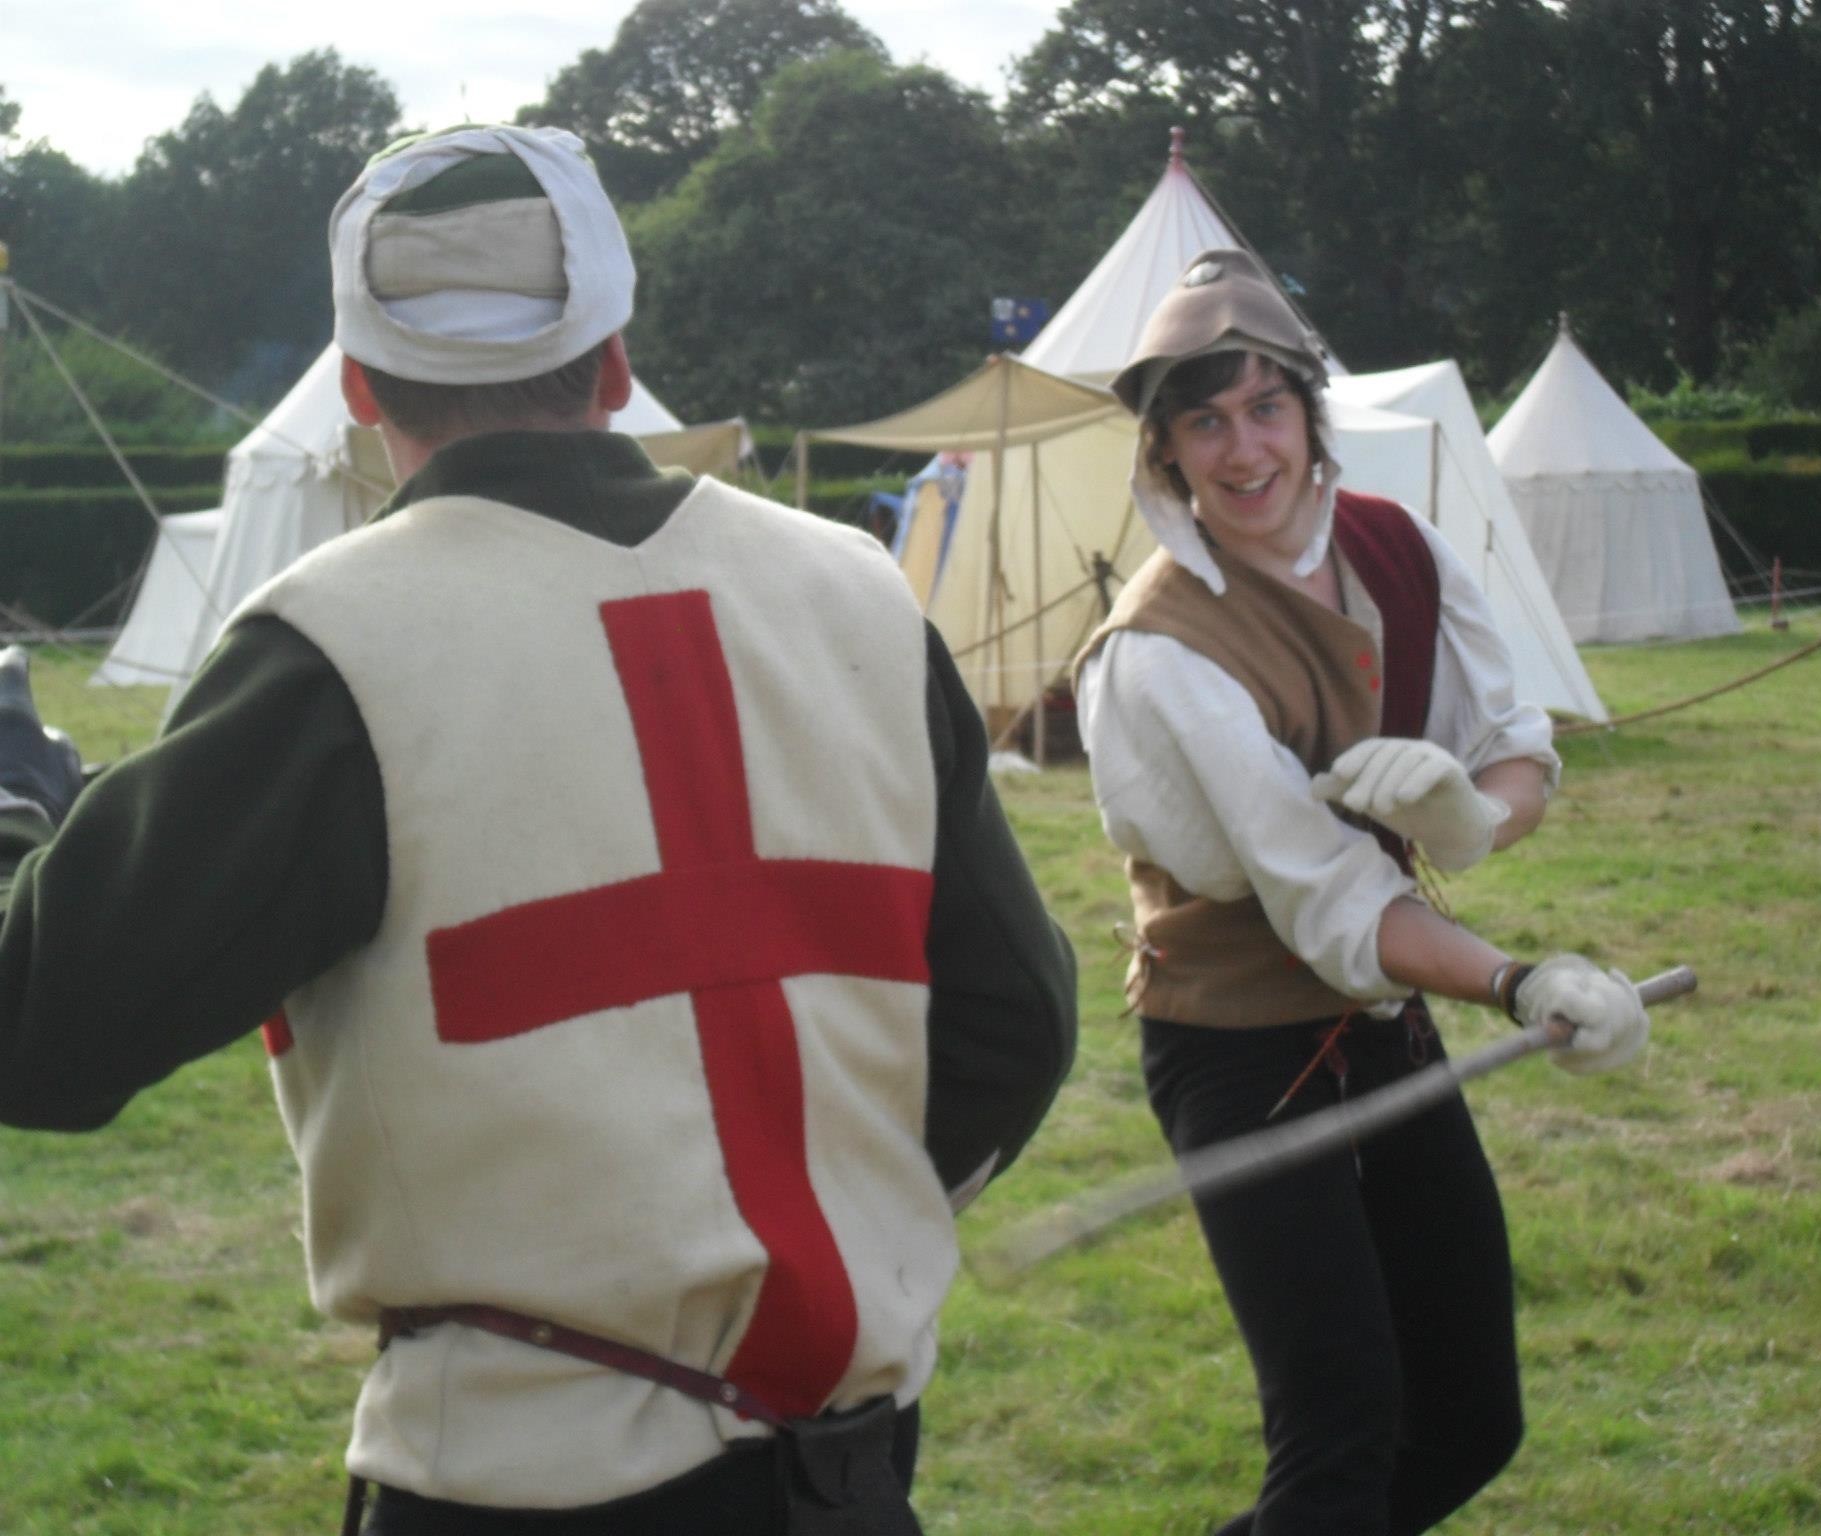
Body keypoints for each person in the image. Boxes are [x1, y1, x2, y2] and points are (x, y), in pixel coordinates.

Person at [0, 124, 1077, 1535]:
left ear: (358, 386)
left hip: (515, 1490)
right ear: (617, 364)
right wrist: (809, 1228)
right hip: (847, 1477)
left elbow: (40, 1029)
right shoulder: (860, 592)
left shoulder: (333, 652)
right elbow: (1017, 1020)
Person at [1072, 248, 1650, 1536]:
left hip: (1381, 1024)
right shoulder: (1158, 655)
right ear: (1165, 452)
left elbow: (1513, 743)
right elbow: (1333, 905)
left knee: (1469, 1419)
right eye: (1205, 423)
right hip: (1239, 1051)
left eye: (1265, 407)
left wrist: (1471, 816)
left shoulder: (1398, 546)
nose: (1244, 450)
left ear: (1308, 413)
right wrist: (1520, 980)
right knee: (1339, 1439)